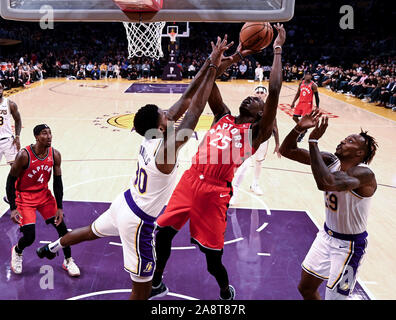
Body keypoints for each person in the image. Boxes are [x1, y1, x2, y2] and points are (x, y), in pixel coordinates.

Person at [36, 36, 234, 300]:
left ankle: (52, 246)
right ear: (161, 126)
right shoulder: (166, 150)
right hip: (137, 221)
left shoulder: (151, 134)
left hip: (124, 202)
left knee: (90, 231)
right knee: (142, 291)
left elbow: (188, 96)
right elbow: (195, 108)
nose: (168, 113)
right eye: (165, 114)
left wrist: (211, 62)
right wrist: (211, 68)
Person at [151, 23, 286, 300]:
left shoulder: (256, 134)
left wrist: (277, 50)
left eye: (256, 101)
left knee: (212, 257)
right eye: (251, 96)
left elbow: (274, 90)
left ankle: (225, 289)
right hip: (191, 179)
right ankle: (155, 281)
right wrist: (233, 57)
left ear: (262, 114)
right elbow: (209, 83)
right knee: (162, 233)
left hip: (215, 192)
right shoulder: (222, 115)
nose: (251, 97)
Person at [279, 109, 378, 300]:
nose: (342, 141)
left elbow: (326, 183)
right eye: (344, 138)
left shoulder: (364, 174)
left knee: (336, 298)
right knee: (306, 288)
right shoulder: (331, 160)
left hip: (350, 246)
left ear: (359, 153)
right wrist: (299, 129)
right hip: (326, 236)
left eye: (350, 141)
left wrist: (313, 142)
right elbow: (287, 151)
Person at [7, 124, 80, 277]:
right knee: (29, 237)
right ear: (36, 137)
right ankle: (17, 250)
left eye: (50, 133)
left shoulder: (55, 155)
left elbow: (57, 182)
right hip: (24, 197)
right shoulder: (24, 155)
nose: (48, 136)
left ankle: (68, 260)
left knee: (62, 229)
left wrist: (59, 207)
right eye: (44, 134)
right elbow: (10, 181)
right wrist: (13, 208)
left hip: (44, 195)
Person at [230, 85, 281, 204]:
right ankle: (234, 192)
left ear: (265, 95)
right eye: (257, 92)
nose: (259, 94)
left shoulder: (269, 109)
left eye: (262, 92)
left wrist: (277, 144)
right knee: (244, 165)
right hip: (249, 139)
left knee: (259, 163)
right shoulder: (250, 107)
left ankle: (255, 184)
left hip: (263, 140)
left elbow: (275, 126)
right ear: (254, 93)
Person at [1, 83, 22, 203]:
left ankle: (14, 195)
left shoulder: (10, 104)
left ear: (2, 89)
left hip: (8, 141)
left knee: (16, 170)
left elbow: (18, 120)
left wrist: (18, 136)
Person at [290, 71, 320, 142]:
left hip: (307, 104)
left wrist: (317, 106)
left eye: (309, 75)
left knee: (304, 120)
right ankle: (304, 129)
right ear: (304, 75)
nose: (307, 76)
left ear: (311, 76)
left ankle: (302, 133)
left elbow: (317, 97)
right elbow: (298, 93)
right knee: (294, 117)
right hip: (300, 103)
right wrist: (293, 102)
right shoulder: (301, 83)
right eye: (306, 75)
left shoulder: (313, 85)